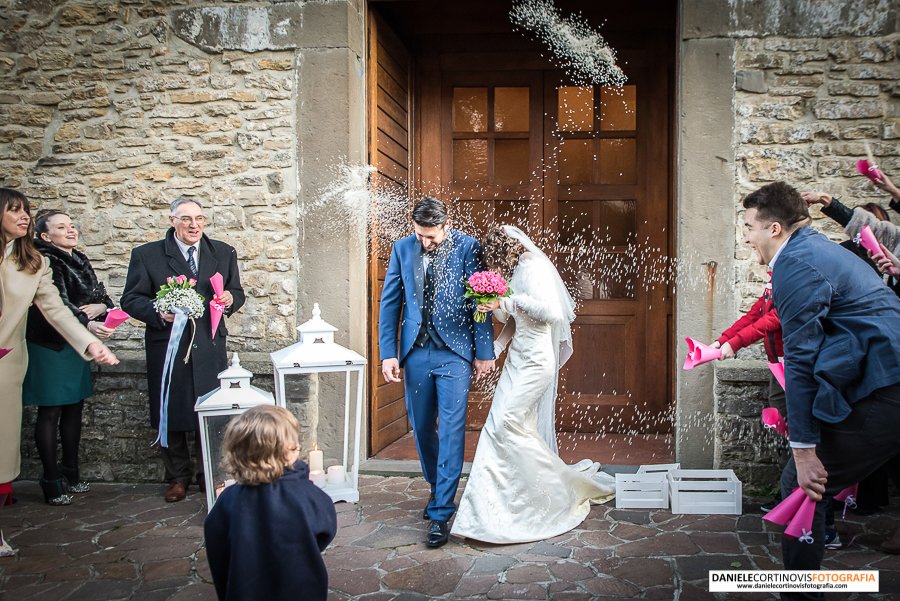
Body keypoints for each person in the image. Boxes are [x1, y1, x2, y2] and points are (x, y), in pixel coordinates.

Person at [742, 181, 900, 598]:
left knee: (803, 482)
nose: (746, 236)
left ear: (774, 228)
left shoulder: (796, 265)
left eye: (749, 226)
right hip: (884, 378)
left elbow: (802, 363)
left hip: (890, 383)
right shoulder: (813, 248)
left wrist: (805, 449)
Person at [450, 225, 615, 544]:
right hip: (517, 360)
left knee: (505, 426)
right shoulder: (516, 270)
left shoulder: (533, 267)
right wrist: (496, 348)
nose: (493, 270)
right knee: (507, 428)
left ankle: (557, 491)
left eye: (492, 263)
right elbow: (515, 322)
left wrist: (506, 299)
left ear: (504, 254)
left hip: (537, 362)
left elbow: (550, 312)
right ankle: (509, 504)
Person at [0, 188, 118, 556]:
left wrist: (89, 344)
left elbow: (57, 310)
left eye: (27, 211)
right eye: (15, 210)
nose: (25, 217)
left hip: (6, 365)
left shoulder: (33, 262)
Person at [378, 196, 495, 548]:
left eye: (431, 236)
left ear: (446, 226)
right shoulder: (403, 248)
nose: (425, 242)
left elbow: (480, 301)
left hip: (454, 354)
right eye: (420, 235)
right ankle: (436, 487)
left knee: (452, 428)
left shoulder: (467, 247)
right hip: (414, 353)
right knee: (422, 426)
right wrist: (388, 354)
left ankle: (442, 511)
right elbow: (390, 302)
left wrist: (484, 352)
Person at [121, 198, 245, 503]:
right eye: (186, 219)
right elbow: (131, 299)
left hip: (210, 345)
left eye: (200, 218)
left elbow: (237, 292)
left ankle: (208, 474)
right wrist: (158, 312)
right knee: (171, 409)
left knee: (210, 410)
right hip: (168, 346)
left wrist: (231, 298)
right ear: (172, 220)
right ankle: (178, 476)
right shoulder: (147, 255)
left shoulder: (223, 252)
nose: (194, 225)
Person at [23, 210, 116, 505]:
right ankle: (51, 479)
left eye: (72, 225)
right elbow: (55, 303)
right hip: (50, 344)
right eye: (61, 227)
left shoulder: (80, 259)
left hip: (78, 345)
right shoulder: (45, 259)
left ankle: (71, 472)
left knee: (74, 407)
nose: (71, 230)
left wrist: (100, 309)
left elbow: (103, 299)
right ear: (45, 236)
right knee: (51, 411)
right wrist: (86, 320)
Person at [204, 405, 337, 601]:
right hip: (301, 590)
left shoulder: (228, 499)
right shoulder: (306, 495)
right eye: (294, 443)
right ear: (286, 452)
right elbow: (327, 527)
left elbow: (216, 541)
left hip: (244, 590)